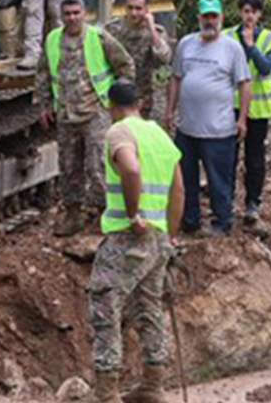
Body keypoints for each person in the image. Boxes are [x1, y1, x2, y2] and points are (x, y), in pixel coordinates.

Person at [87, 79, 184, 403]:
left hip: (129, 236)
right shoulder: (160, 135)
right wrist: (169, 235)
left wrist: (133, 215)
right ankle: (153, 385)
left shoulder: (119, 131)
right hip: (157, 239)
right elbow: (178, 190)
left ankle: (107, 393)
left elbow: (129, 169)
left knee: (105, 306)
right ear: (140, 104)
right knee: (148, 307)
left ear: (110, 106)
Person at [36, 0, 136, 236]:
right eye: (67, 14)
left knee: (98, 166)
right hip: (66, 114)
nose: (72, 18)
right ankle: (73, 213)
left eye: (76, 13)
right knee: (69, 167)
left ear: (84, 13)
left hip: (95, 113)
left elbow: (126, 66)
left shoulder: (98, 38)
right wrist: (44, 105)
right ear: (61, 16)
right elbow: (42, 74)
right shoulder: (52, 40)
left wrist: (116, 100)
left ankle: (104, 213)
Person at [162, 0, 251, 235]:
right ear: (199, 18)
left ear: (221, 18)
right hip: (187, 128)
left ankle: (222, 223)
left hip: (219, 130)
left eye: (214, 17)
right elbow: (176, 77)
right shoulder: (186, 44)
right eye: (206, 16)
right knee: (185, 179)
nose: (209, 21)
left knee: (219, 180)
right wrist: (169, 110)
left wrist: (242, 118)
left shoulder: (232, 47)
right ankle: (189, 221)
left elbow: (244, 83)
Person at [232, 0, 271, 225]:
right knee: (228, 156)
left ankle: (253, 202)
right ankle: (226, 200)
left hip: (259, 108)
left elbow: (265, 68)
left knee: (255, 159)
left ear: (260, 14)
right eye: (245, 11)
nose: (249, 16)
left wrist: (252, 46)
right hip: (231, 106)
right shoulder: (228, 36)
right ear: (240, 12)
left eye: (253, 12)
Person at [106, 0, 170, 115]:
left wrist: (151, 27)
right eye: (130, 8)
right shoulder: (112, 29)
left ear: (146, 10)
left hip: (141, 97)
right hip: (116, 94)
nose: (133, 13)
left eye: (138, 8)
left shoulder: (156, 32)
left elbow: (164, 58)